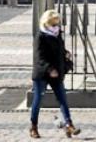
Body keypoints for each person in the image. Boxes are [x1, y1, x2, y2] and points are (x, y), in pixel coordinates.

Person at [30, 9, 79, 139]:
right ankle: (33, 126)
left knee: (63, 99)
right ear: (46, 24)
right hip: (43, 74)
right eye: (53, 24)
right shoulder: (40, 36)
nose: (56, 27)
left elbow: (59, 50)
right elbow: (39, 58)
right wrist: (50, 69)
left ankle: (69, 124)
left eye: (57, 24)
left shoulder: (57, 34)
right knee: (38, 100)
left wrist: (65, 53)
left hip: (56, 73)